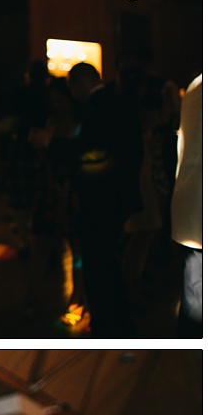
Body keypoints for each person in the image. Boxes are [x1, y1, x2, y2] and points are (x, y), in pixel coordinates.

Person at [68, 62, 143, 337]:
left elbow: (89, 153)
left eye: (72, 87)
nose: (72, 94)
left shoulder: (97, 108)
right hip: (118, 199)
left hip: (100, 201)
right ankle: (119, 323)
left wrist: (52, 145)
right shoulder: (120, 105)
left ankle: (106, 327)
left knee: (99, 268)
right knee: (109, 264)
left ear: (81, 82)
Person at [171, 73, 204, 337]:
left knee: (195, 292)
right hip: (196, 207)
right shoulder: (201, 86)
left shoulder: (195, 86)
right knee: (196, 299)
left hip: (190, 202)